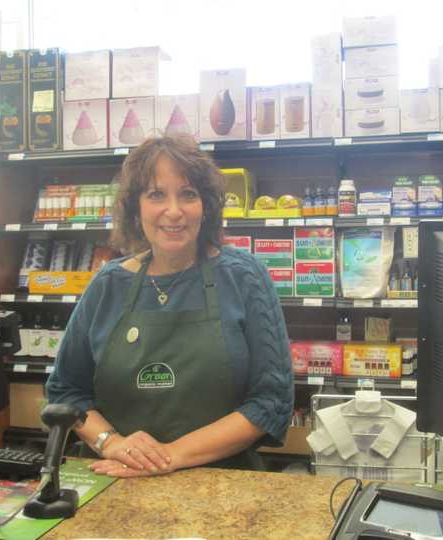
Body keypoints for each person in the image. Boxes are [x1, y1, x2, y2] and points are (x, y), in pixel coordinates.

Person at [46, 135, 293, 477]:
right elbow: (66, 390)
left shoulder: (245, 278)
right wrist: (112, 442)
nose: (173, 211)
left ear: (206, 206)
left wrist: (169, 456)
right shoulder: (107, 285)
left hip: (224, 483)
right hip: (118, 478)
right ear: (136, 207)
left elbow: (272, 402)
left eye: (188, 194)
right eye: (156, 194)